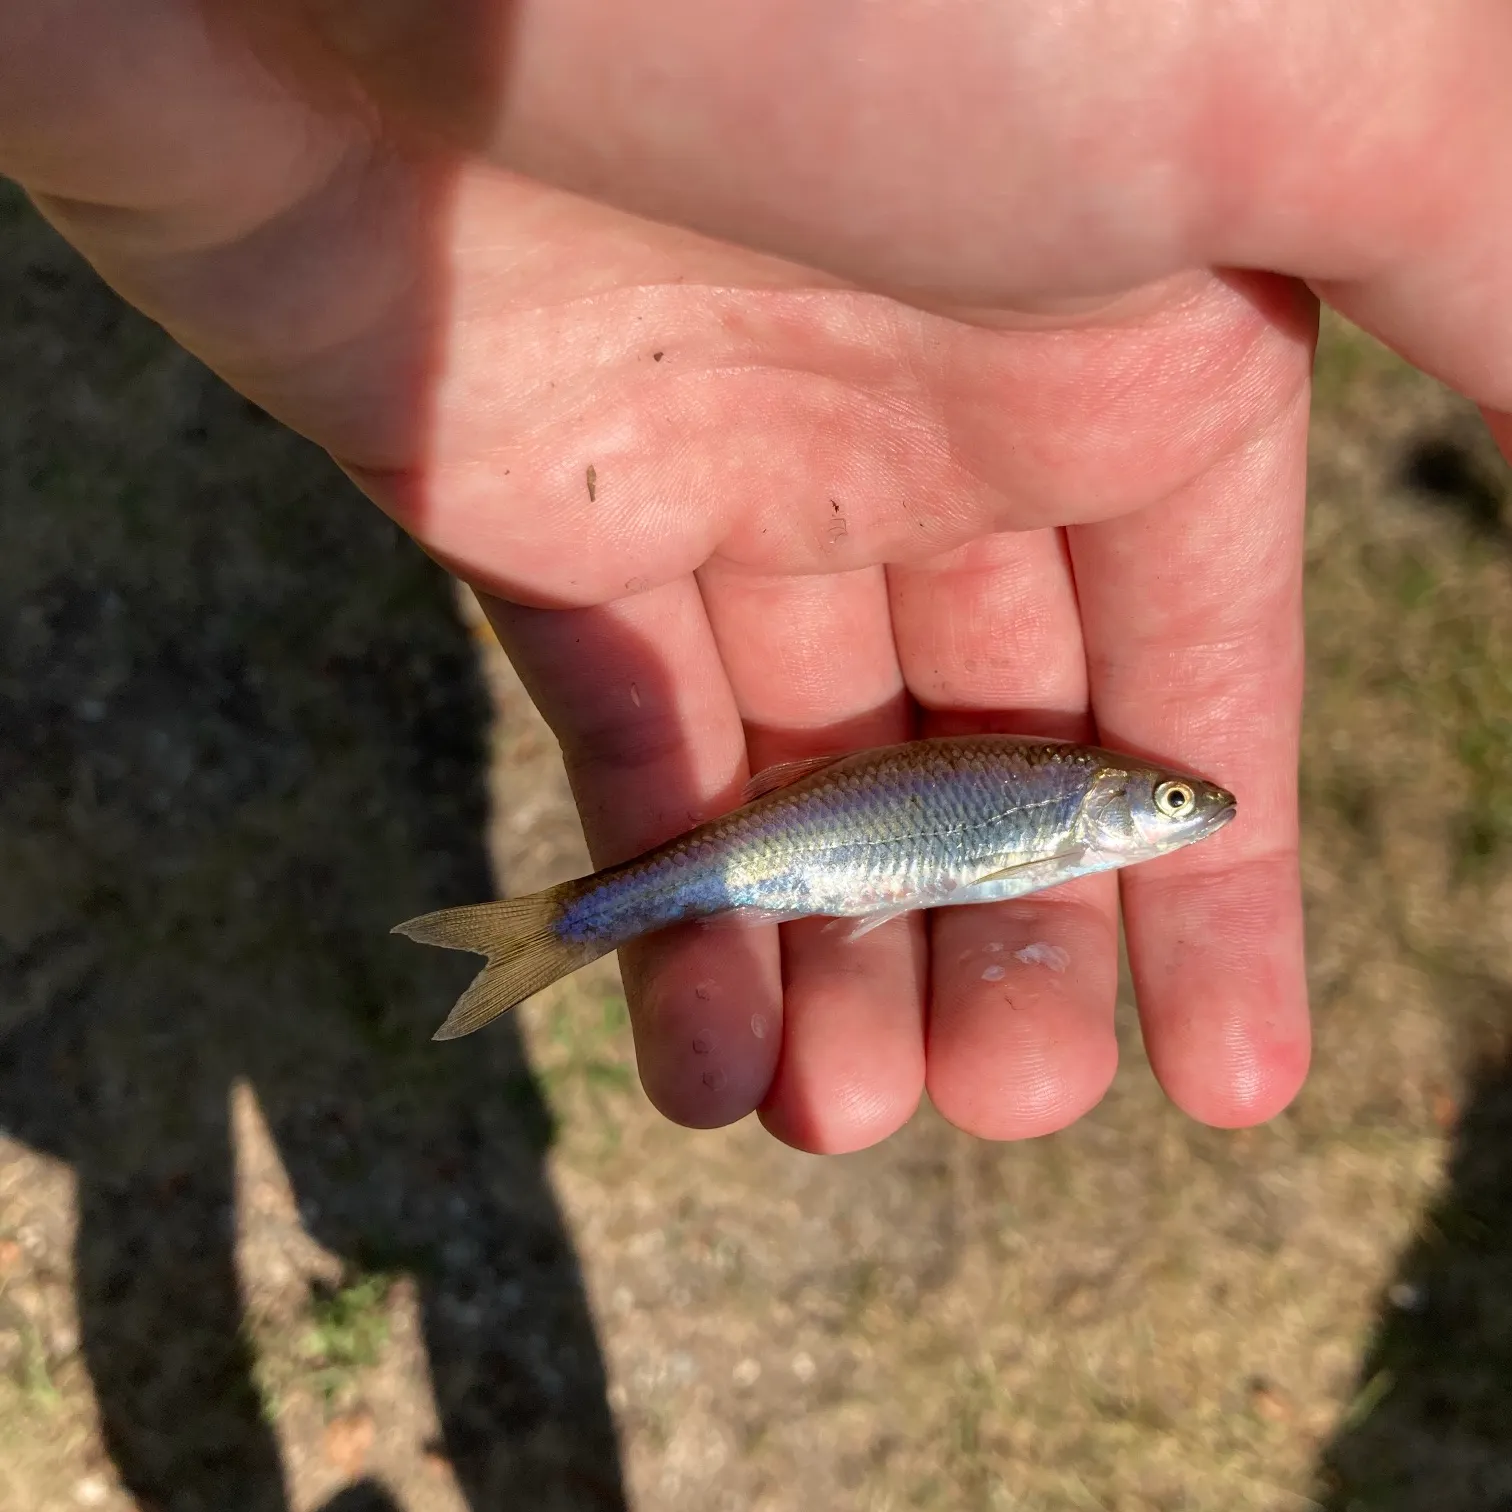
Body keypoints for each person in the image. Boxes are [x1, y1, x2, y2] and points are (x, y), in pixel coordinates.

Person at [2, 0, 1507, 1154]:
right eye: (1173, 804)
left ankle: (571, 923)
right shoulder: (1067, 806)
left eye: (1173, 803)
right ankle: (573, 923)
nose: (1184, 809)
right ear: (1101, 806)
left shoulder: (1058, 808)